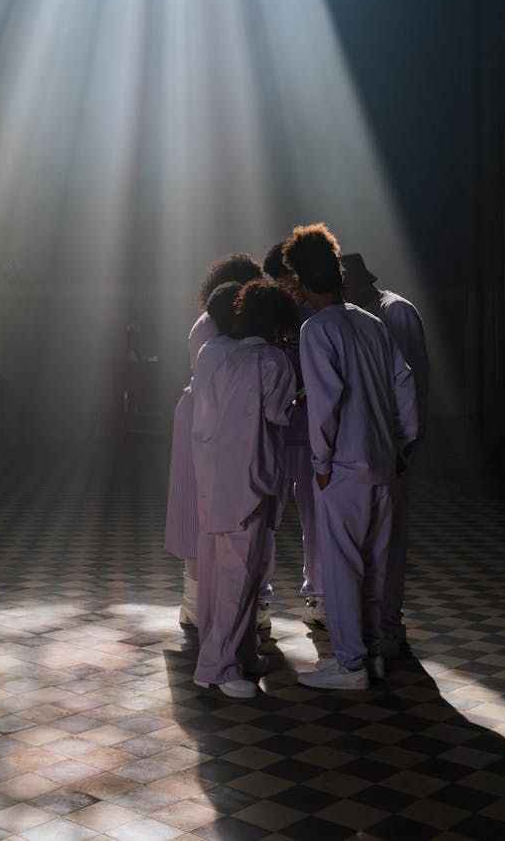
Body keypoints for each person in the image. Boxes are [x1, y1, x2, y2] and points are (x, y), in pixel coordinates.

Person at [283, 224, 418, 689]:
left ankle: (350, 664)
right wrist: (402, 444)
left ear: (301, 280)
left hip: (343, 466)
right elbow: (403, 386)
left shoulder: (316, 328)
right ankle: (373, 647)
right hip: (384, 461)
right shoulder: (372, 322)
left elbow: (325, 402)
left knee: (342, 566)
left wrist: (321, 465)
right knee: (377, 561)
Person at [192, 279, 298, 698]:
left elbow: (210, 417)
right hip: (252, 478)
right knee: (241, 577)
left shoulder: (225, 358)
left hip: (221, 476)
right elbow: (277, 413)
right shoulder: (275, 361)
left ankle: (240, 655)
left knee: (229, 574)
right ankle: (216, 667)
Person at [164, 254, 262, 627]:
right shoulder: (211, 327)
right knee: (197, 506)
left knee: (206, 507)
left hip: (206, 412)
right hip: (204, 416)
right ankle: (195, 599)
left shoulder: (217, 323)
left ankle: (198, 599)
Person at [341, 252, 430, 656]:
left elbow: (412, 385)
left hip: (393, 444)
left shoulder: (396, 312)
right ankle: (371, 624)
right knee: (370, 539)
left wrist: (403, 444)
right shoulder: (360, 316)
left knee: (389, 540)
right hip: (369, 444)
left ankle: (389, 622)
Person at [262, 242, 325, 630]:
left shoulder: (319, 315)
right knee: (266, 515)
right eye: (278, 283)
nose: (288, 290)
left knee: (316, 518)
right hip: (275, 432)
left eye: (290, 281)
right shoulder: (266, 318)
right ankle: (258, 597)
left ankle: (318, 595)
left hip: (315, 432)